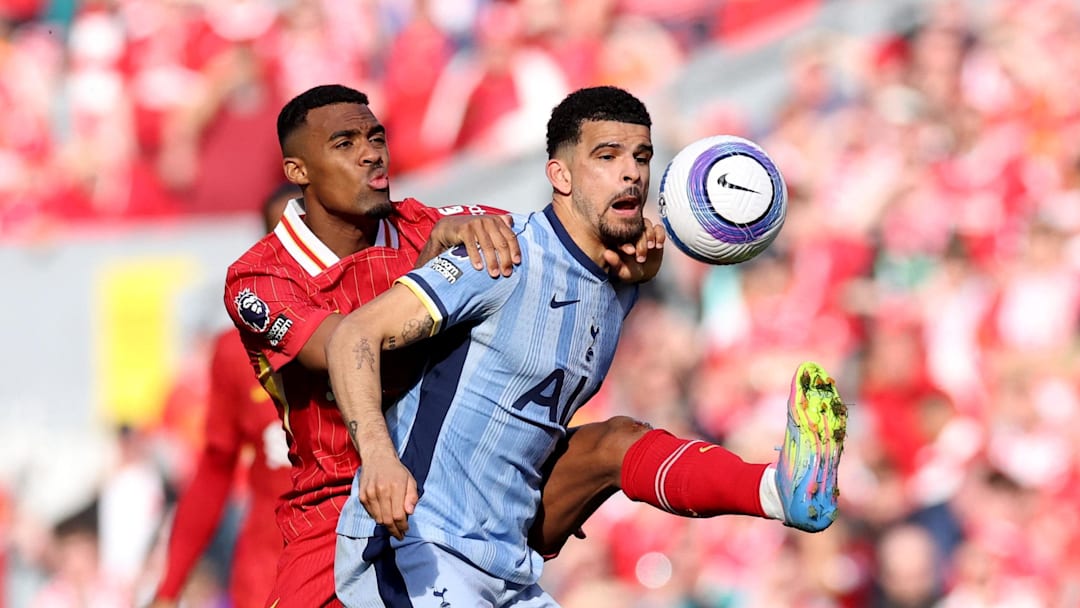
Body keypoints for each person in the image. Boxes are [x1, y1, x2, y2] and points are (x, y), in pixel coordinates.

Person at [328, 85, 848, 605]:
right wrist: (377, 457)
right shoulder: (501, 255)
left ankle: (777, 492)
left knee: (616, 439)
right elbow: (355, 335)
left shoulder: (618, 285)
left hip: (505, 560)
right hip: (416, 545)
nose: (631, 173)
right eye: (607, 156)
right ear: (560, 175)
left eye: (641, 157)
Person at [222, 84, 536, 607]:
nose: (371, 153)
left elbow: (555, 245)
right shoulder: (257, 278)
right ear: (298, 171)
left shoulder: (429, 225)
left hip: (463, 479)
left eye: (375, 137)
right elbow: (350, 346)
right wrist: (432, 279)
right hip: (338, 501)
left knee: (608, 445)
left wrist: (624, 236)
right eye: (344, 143)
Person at [152, 183, 297, 608]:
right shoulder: (236, 353)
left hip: (362, 569)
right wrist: (169, 587)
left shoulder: (379, 332)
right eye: (282, 238)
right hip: (267, 577)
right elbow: (214, 468)